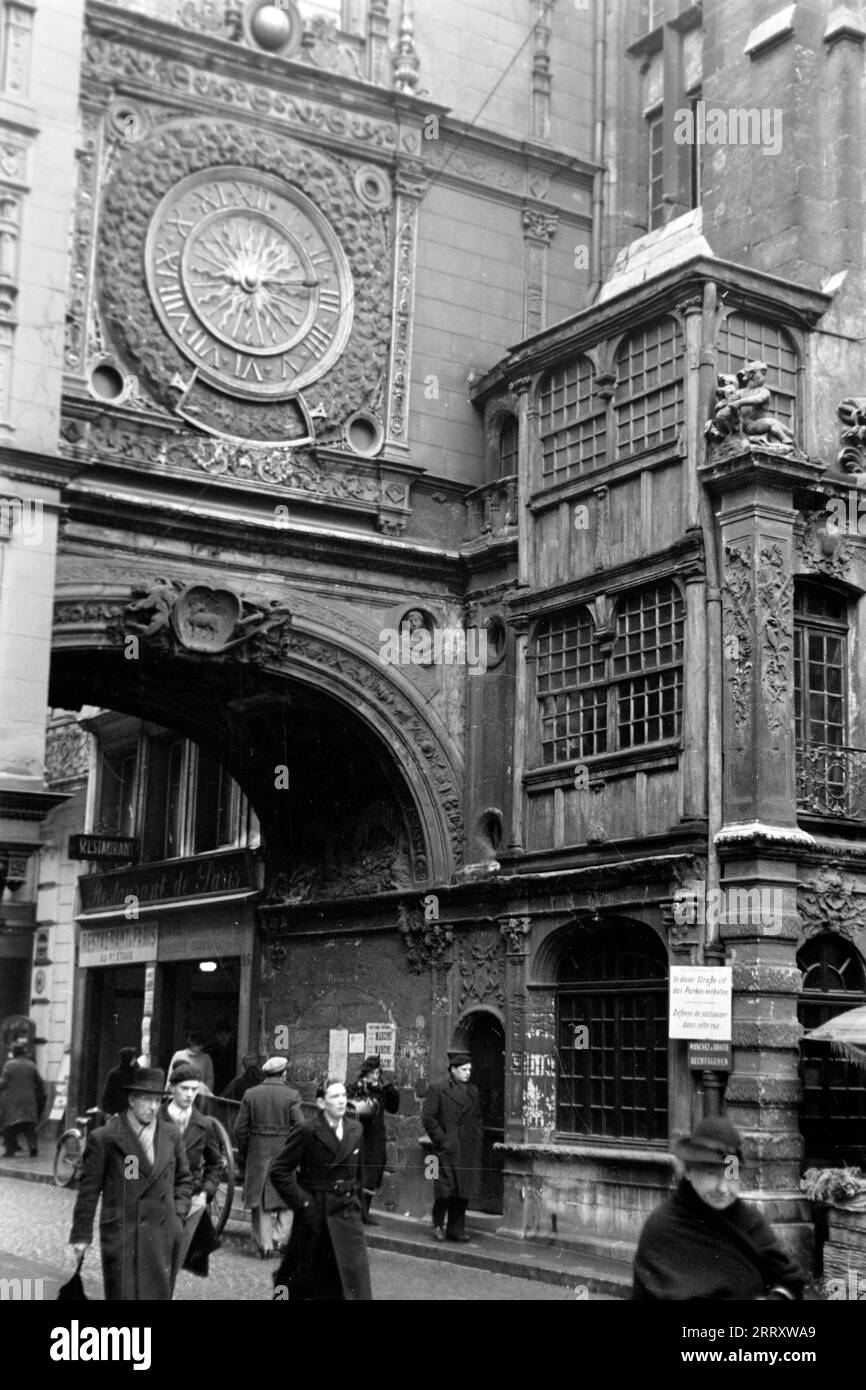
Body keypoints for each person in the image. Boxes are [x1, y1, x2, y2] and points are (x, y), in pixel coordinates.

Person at [632, 1117, 806, 1301]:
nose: (723, 1188)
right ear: (688, 1172)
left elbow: (789, 1281)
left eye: (731, 1176)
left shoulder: (749, 1220)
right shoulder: (662, 1227)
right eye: (712, 1174)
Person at [69, 1066, 195, 1300]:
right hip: (124, 1236)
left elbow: (184, 1178)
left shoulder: (171, 1134)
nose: (153, 1107)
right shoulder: (105, 1138)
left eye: (158, 1100)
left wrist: (178, 1215)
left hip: (163, 1235)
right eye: (147, 1100)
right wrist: (81, 1235)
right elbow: (88, 1191)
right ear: (132, 1099)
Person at [269, 1078, 372, 1301]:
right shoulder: (307, 1130)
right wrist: (303, 1203)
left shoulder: (356, 1129)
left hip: (347, 1214)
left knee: (353, 1281)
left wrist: (359, 1207)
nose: (342, 1101)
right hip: (316, 1215)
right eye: (335, 1096)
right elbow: (279, 1171)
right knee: (302, 1280)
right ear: (321, 1103)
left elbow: (359, 1173)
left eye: (344, 1095)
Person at [235, 1055, 304, 1258]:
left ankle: (264, 1245)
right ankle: (280, 1237)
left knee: (260, 1199)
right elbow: (300, 1125)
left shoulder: (251, 1094)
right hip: (284, 1150)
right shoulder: (291, 1095)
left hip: (258, 1150)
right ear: (283, 1073)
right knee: (288, 1196)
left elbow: (239, 1129)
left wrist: (247, 1149)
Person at [161, 1062, 223, 1278]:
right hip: (155, 1199)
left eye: (194, 1089)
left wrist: (205, 1193)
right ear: (171, 1088)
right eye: (184, 1088)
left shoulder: (204, 1124)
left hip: (188, 1201)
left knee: (173, 1262)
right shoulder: (155, 1118)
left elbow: (216, 1164)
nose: (189, 1095)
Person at [421, 1049, 482, 1244]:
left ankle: (456, 1228)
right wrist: (443, 1140)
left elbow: (478, 1118)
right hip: (446, 1149)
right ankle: (438, 1224)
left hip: (467, 1148)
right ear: (453, 1070)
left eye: (469, 1069)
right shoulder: (439, 1088)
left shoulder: (473, 1091)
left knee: (463, 1191)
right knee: (445, 1190)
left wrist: (477, 1139)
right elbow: (428, 1117)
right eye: (464, 1069)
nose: (468, 1073)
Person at [346, 1054, 400, 1224]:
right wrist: (361, 1091)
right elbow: (348, 1107)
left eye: (378, 1073)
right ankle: (354, 1212)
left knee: (373, 1174)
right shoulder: (355, 1087)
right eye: (373, 1073)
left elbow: (393, 1107)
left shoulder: (382, 1090)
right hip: (360, 1136)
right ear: (366, 1073)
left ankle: (365, 1212)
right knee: (357, 1173)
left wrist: (389, 1088)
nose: (376, 1076)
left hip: (376, 1138)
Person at [0, 1042, 46, 1158]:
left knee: (9, 1125)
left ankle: (10, 1150)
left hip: (12, 1101)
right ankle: (33, 1146)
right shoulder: (31, 1065)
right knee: (29, 1125)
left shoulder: (9, 1065)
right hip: (29, 1100)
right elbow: (39, 1082)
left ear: (14, 1052)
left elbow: (4, 1083)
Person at [99, 1046, 139, 1116]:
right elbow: (108, 1095)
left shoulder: (135, 1072)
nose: (135, 1060)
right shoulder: (115, 1074)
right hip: (117, 1112)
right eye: (133, 1058)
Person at [207, 1021, 234, 1096]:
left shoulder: (235, 1050)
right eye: (220, 1034)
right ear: (216, 1036)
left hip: (232, 1089)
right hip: (215, 1089)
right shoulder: (210, 1051)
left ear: (230, 1035)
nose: (223, 1037)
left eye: (226, 1034)